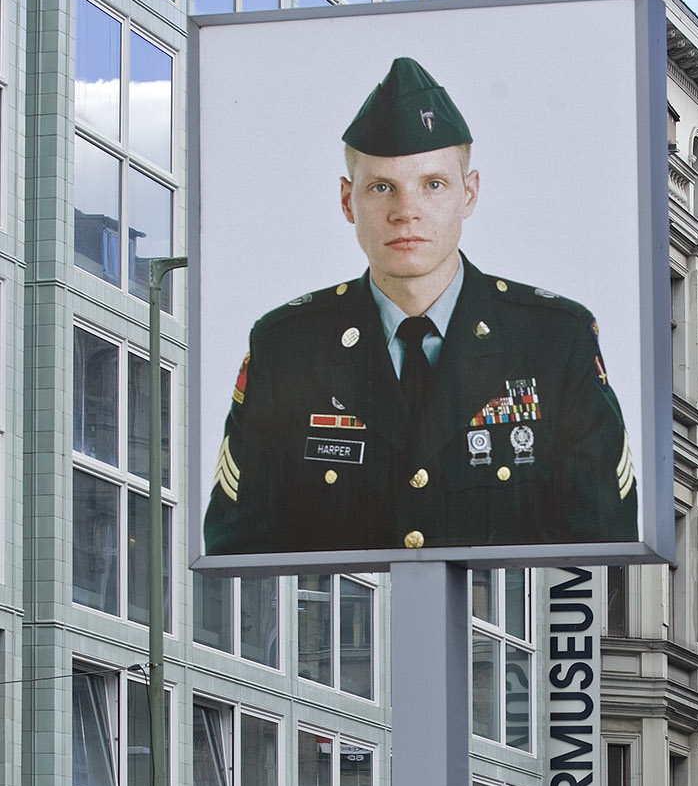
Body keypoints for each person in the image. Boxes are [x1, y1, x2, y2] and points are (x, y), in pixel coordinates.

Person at [202, 56, 637, 559]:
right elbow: (237, 549)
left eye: (433, 184)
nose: (406, 210)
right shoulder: (287, 346)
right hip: (343, 636)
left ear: (468, 194)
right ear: (348, 201)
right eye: (381, 187)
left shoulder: (555, 341)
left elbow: (603, 541)